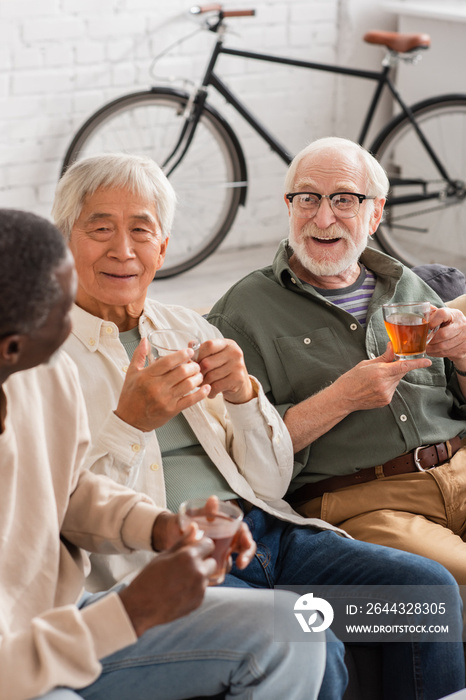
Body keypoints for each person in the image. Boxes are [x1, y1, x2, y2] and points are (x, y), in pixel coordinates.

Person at [53, 152, 466, 700]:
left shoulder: (186, 327)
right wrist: (130, 423)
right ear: (64, 243)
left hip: (266, 535)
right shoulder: (41, 359)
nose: (123, 250)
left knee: (423, 596)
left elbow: (269, 482)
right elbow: (50, 508)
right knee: (308, 632)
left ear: (164, 247)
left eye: (141, 230)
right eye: (100, 229)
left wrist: (246, 397)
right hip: (172, 558)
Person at [0, 208, 327, 700]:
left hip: (74, 615)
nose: (80, 312)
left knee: (303, 628)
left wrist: (158, 527)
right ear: (12, 346)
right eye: (64, 304)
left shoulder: (44, 373)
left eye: (142, 230)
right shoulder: (61, 361)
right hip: (21, 661)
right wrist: (131, 612)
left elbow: (67, 491)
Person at [208, 135, 466, 586]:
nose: (323, 217)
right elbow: (242, 457)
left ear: (376, 212)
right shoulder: (241, 314)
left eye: (344, 199)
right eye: (308, 198)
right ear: (289, 206)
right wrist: (343, 398)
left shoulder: (408, 287)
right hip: (367, 501)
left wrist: (463, 357)